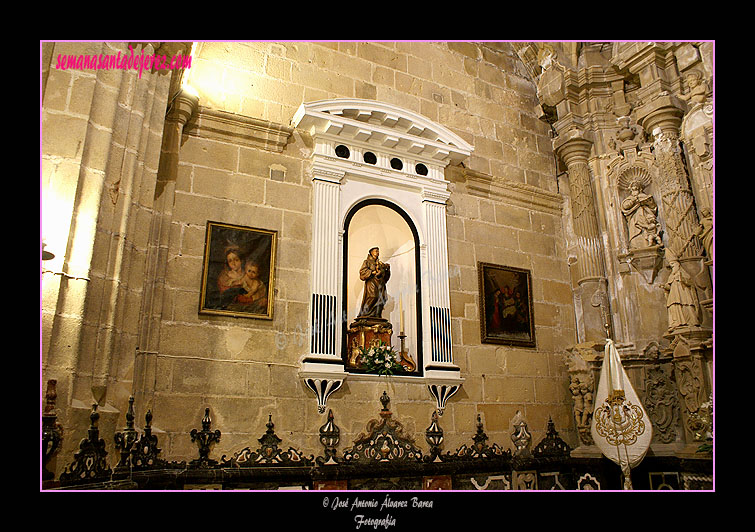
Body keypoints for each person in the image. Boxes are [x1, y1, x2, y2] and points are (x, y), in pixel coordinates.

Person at [621, 181, 662, 248]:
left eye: (636, 188)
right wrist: (634, 200)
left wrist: (649, 203)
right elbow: (625, 207)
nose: (635, 191)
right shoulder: (630, 198)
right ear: (631, 189)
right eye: (633, 189)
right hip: (635, 220)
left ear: (640, 189)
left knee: (649, 235)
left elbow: (653, 208)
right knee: (636, 236)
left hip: (646, 218)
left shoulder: (644, 196)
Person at [358, 247, 391, 319]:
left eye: (378, 251)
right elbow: (362, 272)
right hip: (372, 282)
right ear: (371, 252)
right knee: (373, 296)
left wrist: (387, 270)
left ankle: (376, 316)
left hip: (380, 284)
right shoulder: (367, 262)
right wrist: (372, 272)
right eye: (376, 251)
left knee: (382, 298)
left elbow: (385, 278)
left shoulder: (380, 263)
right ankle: (365, 314)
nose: (378, 252)